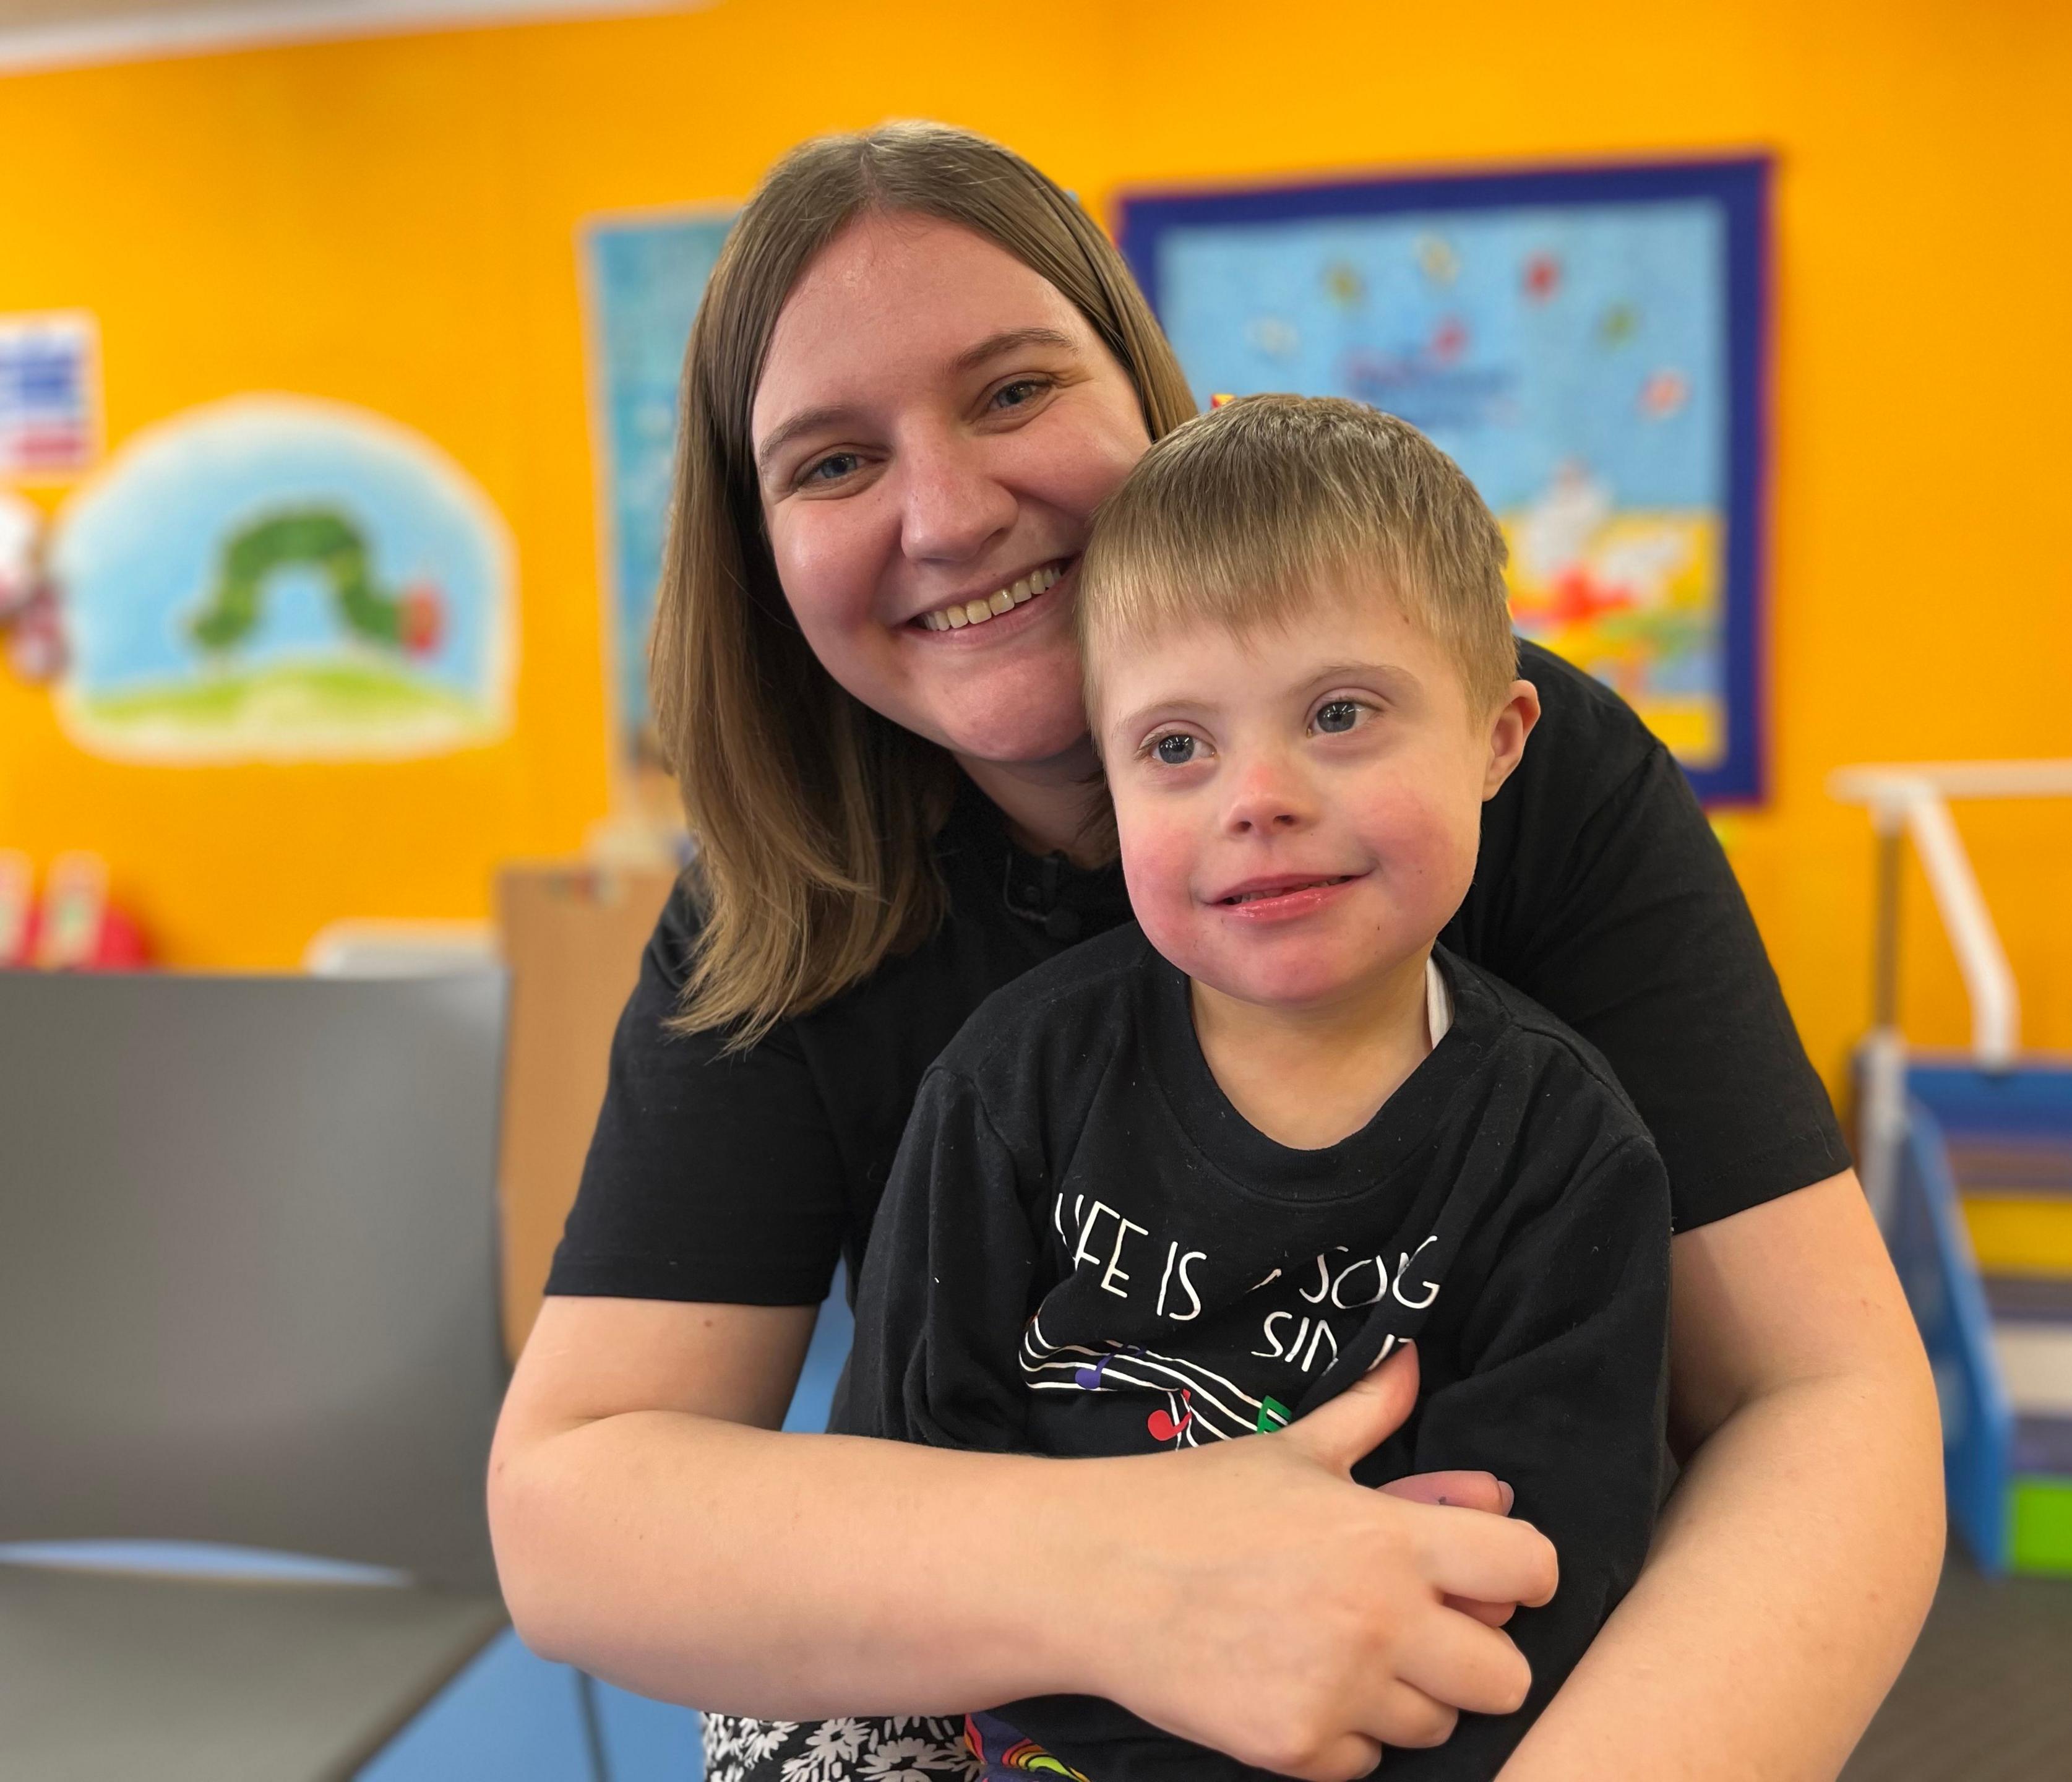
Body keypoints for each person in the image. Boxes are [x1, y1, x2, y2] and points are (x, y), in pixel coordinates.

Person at [487, 121, 1943, 1782]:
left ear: (1145, 391)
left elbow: (1827, 1403)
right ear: (759, 547)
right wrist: (1139, 1579)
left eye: (1016, 391)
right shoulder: (784, 894)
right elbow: (571, 1504)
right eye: (832, 462)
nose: (951, 514)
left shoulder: (1506, 781)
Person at [755, 393, 1672, 1782]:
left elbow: (1529, 1592)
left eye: (1341, 713)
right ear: (1113, 790)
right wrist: (1127, 1625)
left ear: (1499, 737)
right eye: (1178, 747)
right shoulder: (1017, 1087)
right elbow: (902, 1500)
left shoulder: (1561, 1150)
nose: (1257, 795)